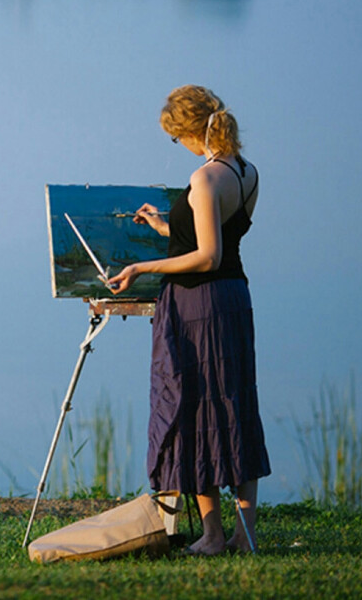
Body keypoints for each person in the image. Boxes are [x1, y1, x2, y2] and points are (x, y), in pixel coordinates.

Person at [108, 85, 270, 556]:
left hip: (199, 307)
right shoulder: (248, 172)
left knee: (195, 407)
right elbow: (222, 235)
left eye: (176, 138)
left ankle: (214, 536)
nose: (178, 147)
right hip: (234, 300)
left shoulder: (204, 179)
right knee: (234, 407)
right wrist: (167, 227)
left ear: (190, 132)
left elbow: (207, 256)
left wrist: (141, 266)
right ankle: (245, 535)